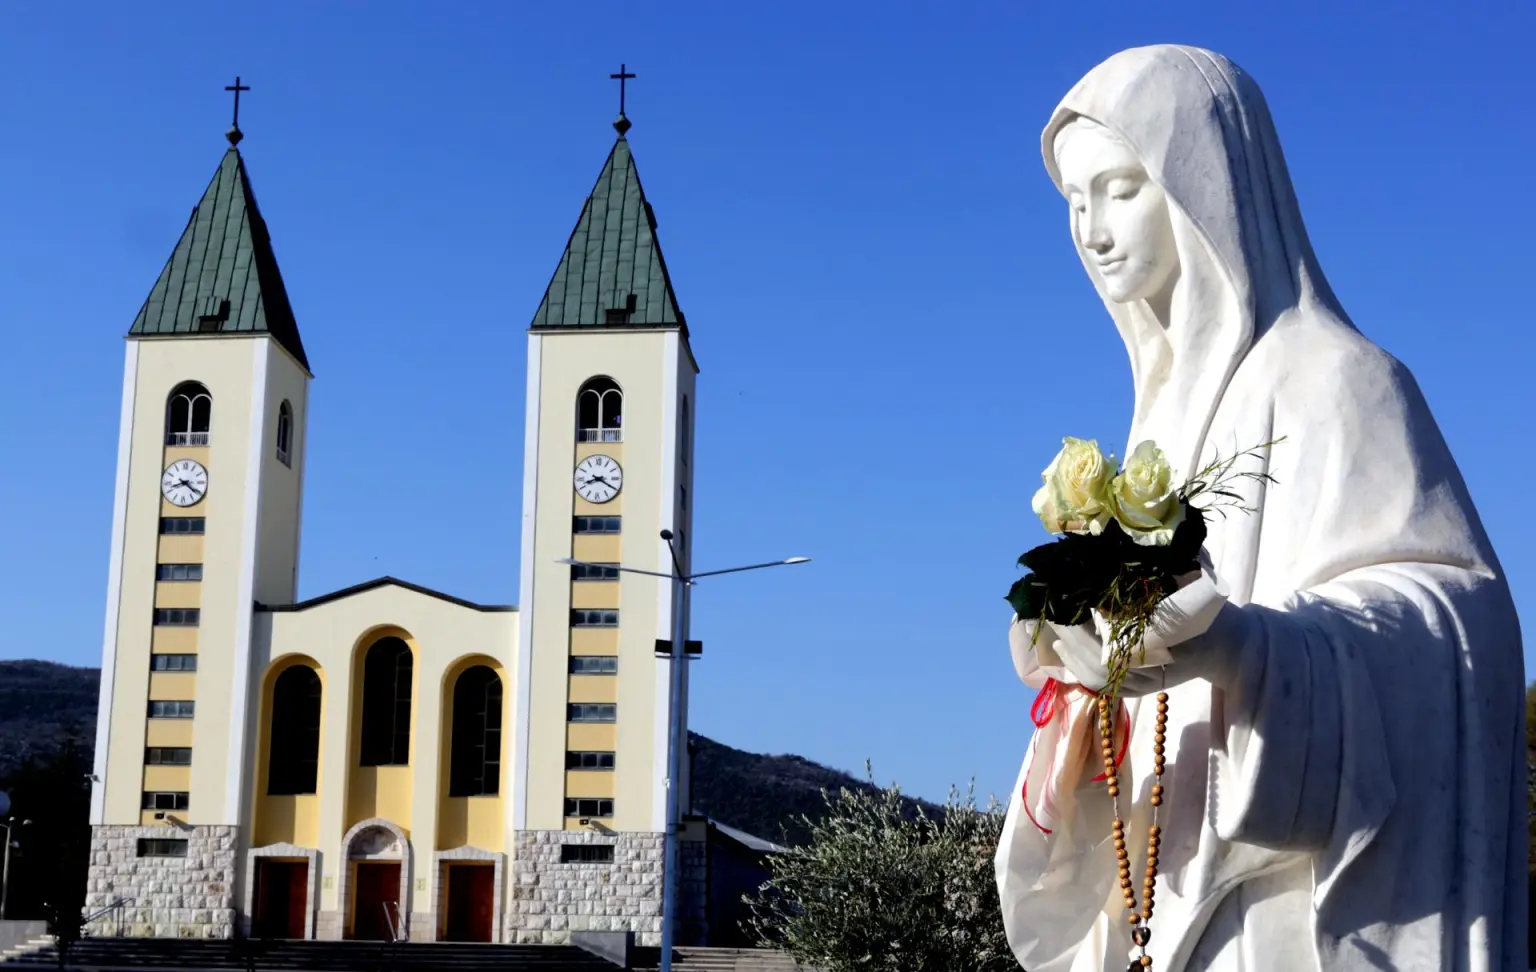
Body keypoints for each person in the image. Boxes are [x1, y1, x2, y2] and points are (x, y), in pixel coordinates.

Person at [995, 45, 1525, 972]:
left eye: (1120, 188)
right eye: (1074, 203)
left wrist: (1248, 651)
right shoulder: (1157, 428)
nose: (1093, 229)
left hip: (1289, 904)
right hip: (1167, 892)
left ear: (1205, 185)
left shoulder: (1339, 381)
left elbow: (1459, 626)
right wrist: (1087, 681)